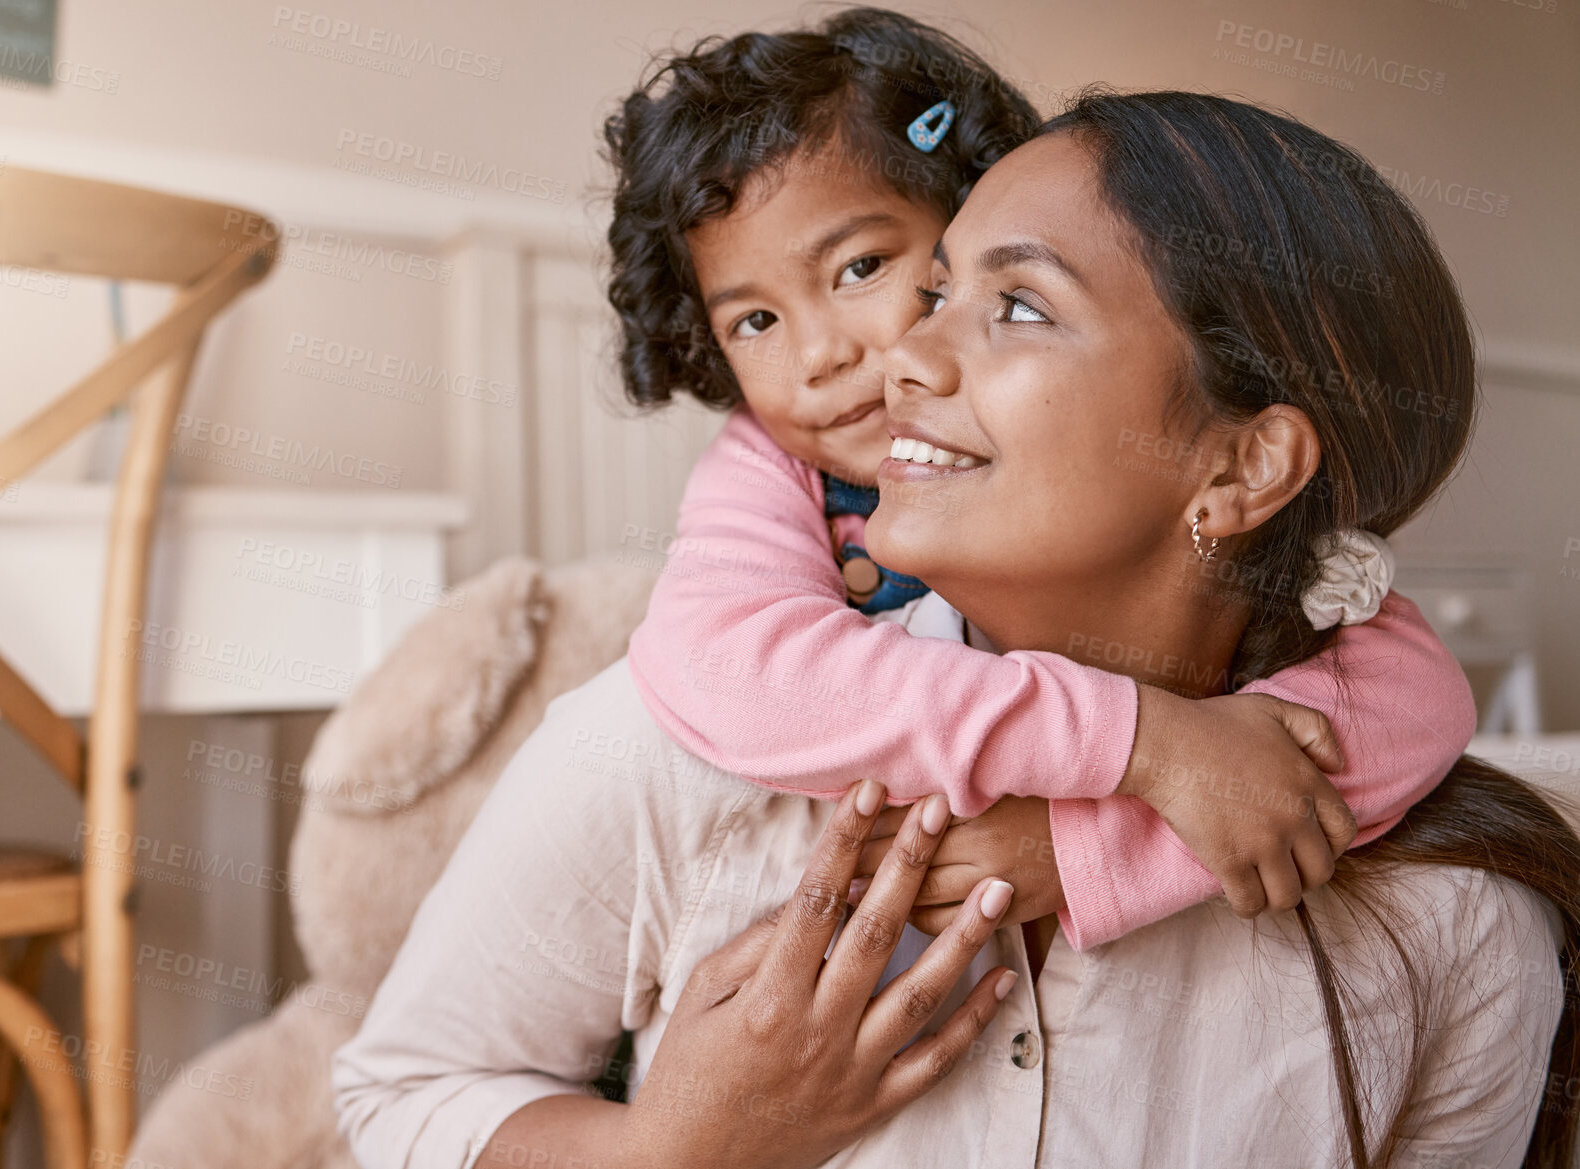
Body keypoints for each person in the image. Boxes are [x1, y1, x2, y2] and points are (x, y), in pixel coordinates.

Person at [333, 90, 1580, 1169]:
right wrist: (676, 1147)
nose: (901, 361)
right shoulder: (675, 739)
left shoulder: (1455, 924)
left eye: (1019, 305)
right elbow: (397, 1100)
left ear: (1243, 466)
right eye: (934, 292)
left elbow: (1407, 694)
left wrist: (1096, 840)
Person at [608, 8, 1475, 946]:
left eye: (864, 268)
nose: (822, 355)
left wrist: (1086, 843)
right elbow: (729, 672)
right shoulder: (767, 463)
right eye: (754, 322)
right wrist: (1139, 741)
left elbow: (1413, 704)